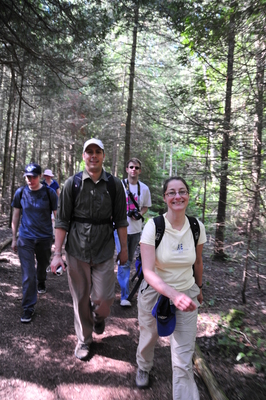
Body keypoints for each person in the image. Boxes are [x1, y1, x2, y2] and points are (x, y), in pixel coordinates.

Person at [50, 138, 128, 361]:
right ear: (83, 156)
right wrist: (57, 253)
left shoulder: (114, 185)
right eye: (89, 152)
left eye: (97, 152)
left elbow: (121, 220)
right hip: (76, 249)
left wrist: (124, 250)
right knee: (81, 297)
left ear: (103, 155)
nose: (93, 155)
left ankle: (99, 317)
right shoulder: (71, 184)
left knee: (104, 297)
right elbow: (62, 220)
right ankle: (84, 340)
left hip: (104, 248)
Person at [135, 176, 207, 399]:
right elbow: (148, 272)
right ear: (165, 197)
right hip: (155, 294)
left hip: (187, 293)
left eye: (182, 191)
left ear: (188, 195)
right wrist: (173, 294)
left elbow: (198, 262)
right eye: (172, 193)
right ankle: (143, 366)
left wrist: (199, 287)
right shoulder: (153, 226)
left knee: (183, 359)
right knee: (149, 337)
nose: (178, 196)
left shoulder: (196, 226)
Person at [11, 163, 58, 323]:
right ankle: (28, 307)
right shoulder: (21, 192)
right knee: (28, 275)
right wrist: (14, 238)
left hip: (45, 237)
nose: (30, 180)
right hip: (26, 238)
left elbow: (57, 217)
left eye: (34, 177)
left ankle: (42, 279)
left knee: (42, 264)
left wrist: (59, 241)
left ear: (40, 177)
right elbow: (16, 215)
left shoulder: (49, 193)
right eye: (28, 177)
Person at [115, 158, 151, 307]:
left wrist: (139, 214)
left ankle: (123, 283)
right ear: (127, 169)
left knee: (129, 259)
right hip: (120, 229)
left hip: (136, 230)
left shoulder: (144, 189)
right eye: (131, 167)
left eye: (136, 167)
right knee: (124, 261)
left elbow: (146, 207)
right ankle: (125, 296)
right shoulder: (119, 186)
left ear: (140, 170)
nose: (134, 170)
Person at [42, 169, 60, 237]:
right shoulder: (42, 184)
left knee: (54, 219)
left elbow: (58, 193)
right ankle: (45, 232)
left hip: (54, 203)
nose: (47, 177)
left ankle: (53, 234)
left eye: (49, 175)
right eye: (46, 175)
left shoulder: (55, 183)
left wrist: (59, 202)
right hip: (45, 204)